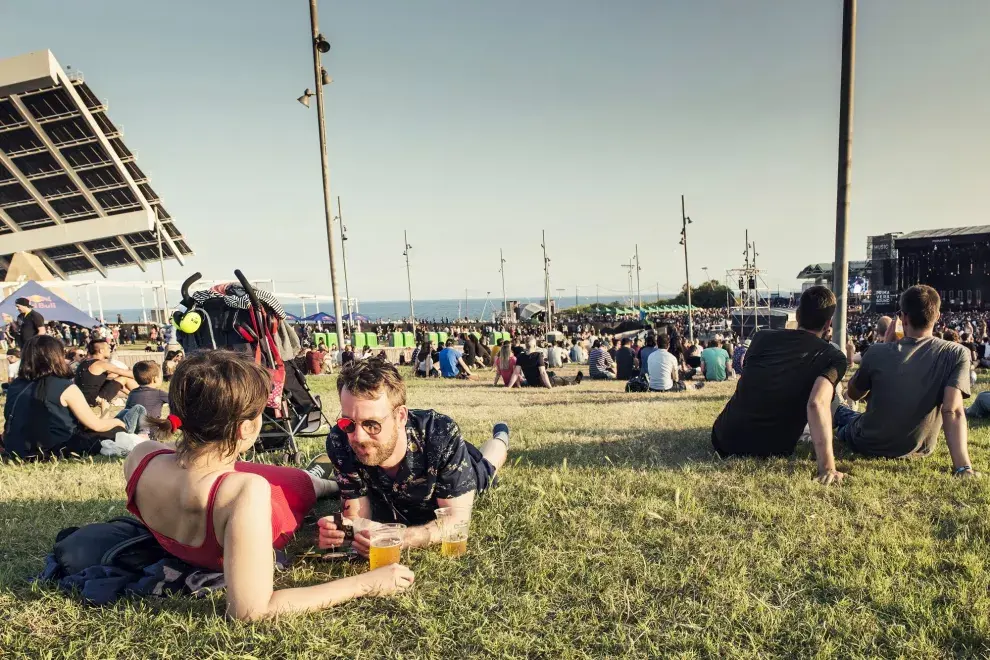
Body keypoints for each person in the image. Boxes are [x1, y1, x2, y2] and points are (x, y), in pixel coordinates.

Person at [122, 351, 412, 621]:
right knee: (299, 483)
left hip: (207, 485)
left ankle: (327, 481)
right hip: (236, 513)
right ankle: (324, 481)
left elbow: (189, 460)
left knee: (287, 476)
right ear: (245, 428)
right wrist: (368, 582)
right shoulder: (245, 491)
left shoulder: (142, 455)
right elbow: (251, 611)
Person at [315, 357, 509, 554]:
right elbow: (357, 518)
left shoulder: (439, 434)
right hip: (394, 494)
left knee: (489, 463)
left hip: (454, 466)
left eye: (372, 424)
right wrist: (344, 533)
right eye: (348, 423)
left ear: (400, 417)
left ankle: (501, 435)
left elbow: (456, 520)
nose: (358, 437)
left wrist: (402, 538)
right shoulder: (341, 440)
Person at [711, 286, 849, 484]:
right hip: (775, 447)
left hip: (725, 438)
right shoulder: (833, 356)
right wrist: (828, 468)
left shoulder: (760, 338)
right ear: (828, 323)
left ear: (798, 315)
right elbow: (817, 403)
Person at [835, 285, 978, 476]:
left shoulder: (877, 351)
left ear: (903, 318)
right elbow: (953, 410)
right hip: (919, 449)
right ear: (937, 316)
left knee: (840, 411)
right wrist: (963, 467)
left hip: (867, 441)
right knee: (849, 416)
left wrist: (885, 347)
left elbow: (854, 393)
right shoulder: (956, 353)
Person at [2, 336, 145, 459]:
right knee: (117, 428)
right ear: (56, 356)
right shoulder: (64, 386)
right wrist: (117, 423)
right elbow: (96, 425)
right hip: (56, 447)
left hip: (16, 448)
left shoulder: (16, 385)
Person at [75, 338, 139, 407]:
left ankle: (137, 398)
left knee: (114, 377)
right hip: (94, 400)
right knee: (124, 378)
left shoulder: (84, 363)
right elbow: (130, 374)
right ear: (101, 351)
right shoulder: (101, 364)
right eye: (108, 348)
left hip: (82, 399)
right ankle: (145, 394)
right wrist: (145, 375)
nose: (110, 349)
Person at [517, 337, 582, 388]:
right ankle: (575, 381)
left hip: (531, 382)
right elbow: (543, 373)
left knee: (552, 374)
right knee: (562, 380)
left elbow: (515, 373)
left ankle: (561, 378)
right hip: (543, 382)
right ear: (534, 346)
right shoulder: (537, 355)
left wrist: (511, 386)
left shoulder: (520, 356)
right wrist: (549, 387)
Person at [124, 361, 170, 435]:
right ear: (155, 379)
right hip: (151, 432)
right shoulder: (159, 393)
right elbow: (175, 401)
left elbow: (127, 411)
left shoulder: (132, 392)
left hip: (132, 431)